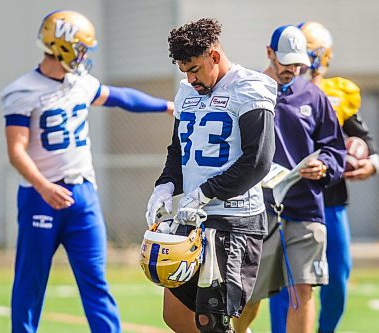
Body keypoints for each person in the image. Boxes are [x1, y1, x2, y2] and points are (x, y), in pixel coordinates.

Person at [1, 10, 173, 333]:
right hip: (41, 197)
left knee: (96, 281)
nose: (83, 57)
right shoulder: (23, 90)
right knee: (30, 283)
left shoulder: (78, 83)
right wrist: (42, 186)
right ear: (62, 46)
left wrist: (164, 106)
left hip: (82, 195)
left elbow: (121, 97)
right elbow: (16, 151)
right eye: (80, 49)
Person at [145, 18, 277, 333]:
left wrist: (206, 192)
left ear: (214, 57)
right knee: (175, 315)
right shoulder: (186, 92)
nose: (190, 79)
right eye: (184, 71)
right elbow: (178, 151)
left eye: (195, 70)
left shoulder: (249, 87)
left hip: (233, 221)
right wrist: (164, 186)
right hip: (192, 218)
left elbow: (258, 160)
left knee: (212, 322)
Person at [232, 25, 346, 333]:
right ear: (269, 53)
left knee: (302, 290)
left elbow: (335, 149)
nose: (293, 70)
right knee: (249, 297)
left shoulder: (314, 96)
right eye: (286, 63)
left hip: (306, 209)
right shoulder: (246, 90)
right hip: (256, 212)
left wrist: (324, 164)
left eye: (299, 64)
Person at [268, 21, 379, 333]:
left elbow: (364, 144)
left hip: (330, 200)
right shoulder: (276, 88)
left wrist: (370, 163)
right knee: (287, 283)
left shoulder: (338, 93)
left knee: (338, 277)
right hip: (287, 200)